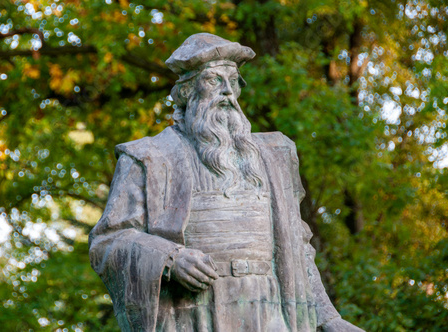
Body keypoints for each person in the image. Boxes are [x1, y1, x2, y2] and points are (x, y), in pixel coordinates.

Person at [89, 33, 364, 332]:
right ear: (184, 92)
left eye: (233, 81)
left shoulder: (274, 157)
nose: (227, 92)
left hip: (271, 313)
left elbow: (298, 252)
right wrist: (170, 259)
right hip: (192, 315)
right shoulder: (148, 158)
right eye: (213, 80)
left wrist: (329, 319)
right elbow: (108, 242)